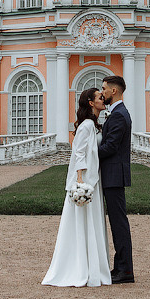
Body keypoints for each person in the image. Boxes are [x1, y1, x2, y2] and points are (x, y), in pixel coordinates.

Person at [42, 88, 111, 287]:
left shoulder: (94, 125)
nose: (103, 99)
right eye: (100, 97)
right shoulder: (87, 125)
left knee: (90, 222)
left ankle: (91, 267)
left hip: (93, 178)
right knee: (82, 222)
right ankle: (81, 268)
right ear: (91, 103)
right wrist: (80, 181)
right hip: (86, 181)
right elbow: (78, 151)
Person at [98, 74, 134, 284]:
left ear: (114, 91)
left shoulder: (119, 114)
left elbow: (111, 146)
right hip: (111, 174)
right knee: (117, 222)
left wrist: (90, 152)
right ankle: (120, 266)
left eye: (104, 89)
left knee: (119, 223)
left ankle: (125, 270)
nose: (102, 92)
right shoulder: (116, 113)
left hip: (114, 175)